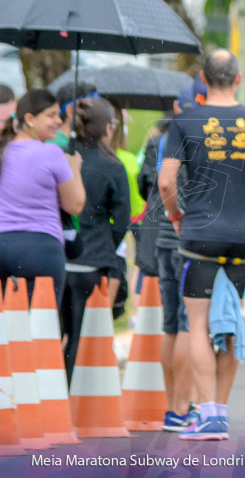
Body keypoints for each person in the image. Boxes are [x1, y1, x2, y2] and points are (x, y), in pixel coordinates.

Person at [159, 49, 245, 441]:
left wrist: (176, 214)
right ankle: (223, 410)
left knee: (197, 324)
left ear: (203, 78)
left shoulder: (183, 124)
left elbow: (166, 183)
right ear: (238, 78)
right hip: (242, 236)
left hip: (199, 233)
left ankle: (207, 412)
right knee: (230, 317)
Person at [138, 78, 206, 431]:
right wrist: (180, 217)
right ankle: (183, 407)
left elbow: (149, 183)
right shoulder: (201, 136)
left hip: (163, 240)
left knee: (171, 325)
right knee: (187, 325)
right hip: (187, 237)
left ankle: (172, 405)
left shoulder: (161, 139)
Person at [60, 97, 131, 381]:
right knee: (81, 335)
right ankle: (71, 399)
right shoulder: (112, 166)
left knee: (52, 333)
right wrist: (106, 246)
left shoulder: (63, 156)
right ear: (107, 128)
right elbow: (122, 219)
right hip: (93, 262)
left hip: (59, 257)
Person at [0, 90, 85, 303]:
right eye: (51, 114)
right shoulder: (51, 153)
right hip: (40, 250)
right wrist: (74, 169)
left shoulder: (3, 152)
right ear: (29, 118)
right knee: (40, 329)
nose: (58, 121)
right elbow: (74, 205)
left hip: (2, 245)